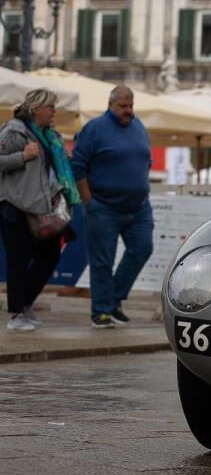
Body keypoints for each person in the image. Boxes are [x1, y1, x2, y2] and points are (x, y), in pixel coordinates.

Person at [71, 86, 153, 329]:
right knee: (102, 262)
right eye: (123, 106)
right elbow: (78, 166)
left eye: (131, 105)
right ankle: (102, 311)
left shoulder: (139, 127)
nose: (128, 110)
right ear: (111, 104)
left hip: (138, 208)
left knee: (142, 250)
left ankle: (114, 299)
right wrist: (89, 202)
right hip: (103, 207)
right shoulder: (95, 128)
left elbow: (145, 161)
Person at [0, 89, 78, 333]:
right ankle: (15, 314)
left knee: (50, 256)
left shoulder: (50, 136)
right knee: (18, 260)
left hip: (44, 207)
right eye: (50, 107)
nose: (54, 111)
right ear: (36, 109)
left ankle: (25, 303)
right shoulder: (15, 131)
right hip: (15, 205)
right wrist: (22, 156)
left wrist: (64, 158)